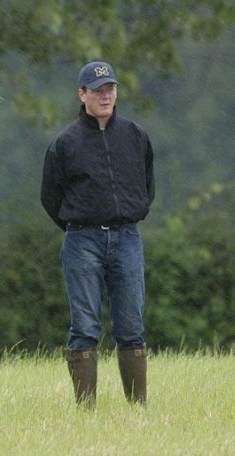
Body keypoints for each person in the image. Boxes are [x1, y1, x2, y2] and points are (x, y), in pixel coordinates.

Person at [40, 60, 155, 408]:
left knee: (132, 326)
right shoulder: (65, 144)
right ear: (82, 94)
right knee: (85, 327)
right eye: (98, 90)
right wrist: (79, 226)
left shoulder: (135, 136)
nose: (106, 96)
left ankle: (137, 407)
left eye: (110, 90)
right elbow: (50, 197)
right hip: (82, 241)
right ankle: (86, 410)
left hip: (128, 238)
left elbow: (147, 187)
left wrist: (129, 214)